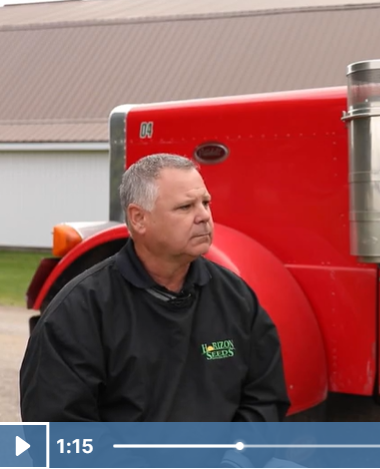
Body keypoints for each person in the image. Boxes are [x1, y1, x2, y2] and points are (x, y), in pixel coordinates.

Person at [19, 153, 290, 422]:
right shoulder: (78, 313)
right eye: (185, 207)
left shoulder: (236, 298)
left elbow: (264, 398)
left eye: (205, 202)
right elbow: (61, 431)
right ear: (138, 218)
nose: (204, 216)